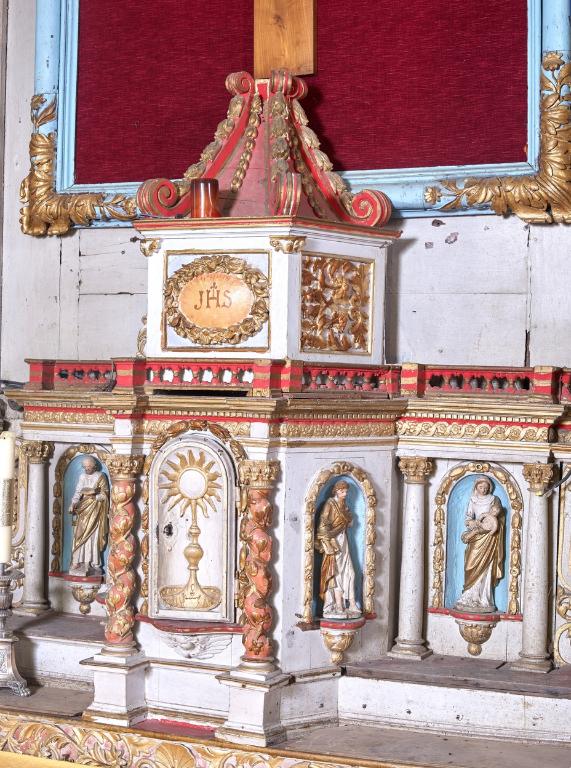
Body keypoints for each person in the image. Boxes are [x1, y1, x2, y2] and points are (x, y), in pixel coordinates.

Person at [454, 476, 504, 613]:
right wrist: (472, 523)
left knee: (485, 567)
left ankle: (482, 598)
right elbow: (468, 518)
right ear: (476, 487)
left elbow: (498, 515)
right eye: (481, 487)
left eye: (486, 487)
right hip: (476, 536)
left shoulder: (494, 499)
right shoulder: (473, 499)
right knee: (470, 564)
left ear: (489, 488)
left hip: (489, 537)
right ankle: (468, 595)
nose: (483, 489)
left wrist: (491, 521)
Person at [315, 480, 360, 618]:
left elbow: (350, 522)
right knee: (337, 573)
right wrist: (329, 540)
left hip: (343, 542)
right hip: (334, 544)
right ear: (336, 491)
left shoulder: (343, 505)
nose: (345, 494)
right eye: (342, 491)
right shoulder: (330, 504)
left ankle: (352, 603)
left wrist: (348, 520)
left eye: (346, 491)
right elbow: (322, 526)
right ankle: (338, 605)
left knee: (350, 573)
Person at [69, 456, 109, 576]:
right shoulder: (82, 476)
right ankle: (77, 561)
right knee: (79, 534)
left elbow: (105, 494)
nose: (87, 469)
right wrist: (73, 503)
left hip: (96, 510)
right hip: (84, 509)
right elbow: (78, 492)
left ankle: (91, 562)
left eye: (89, 467)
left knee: (92, 536)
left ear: (94, 466)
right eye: (85, 467)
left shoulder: (101, 476)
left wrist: (94, 496)